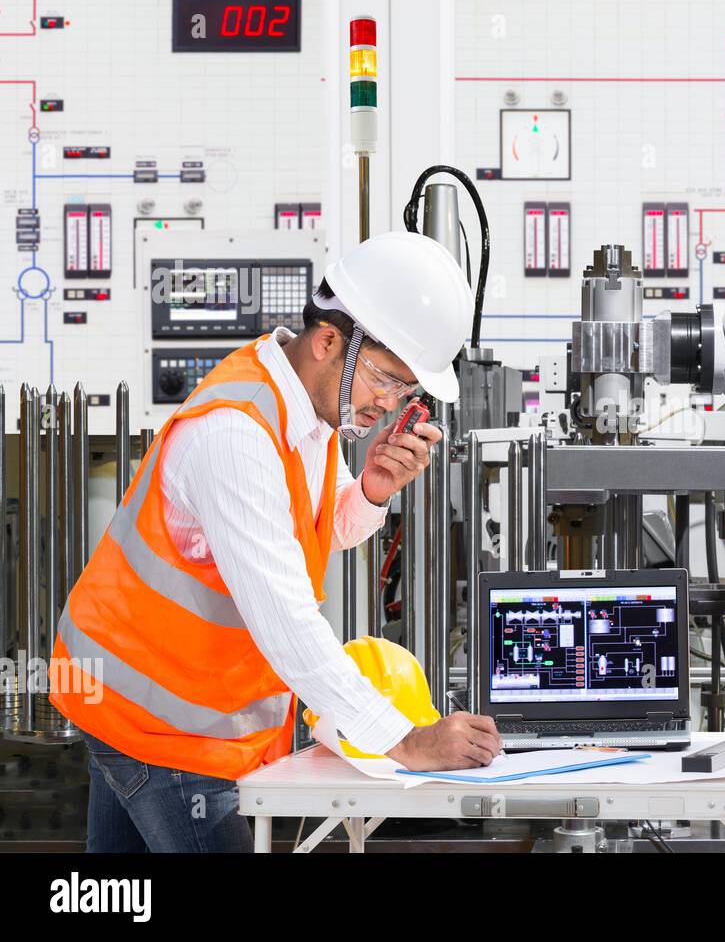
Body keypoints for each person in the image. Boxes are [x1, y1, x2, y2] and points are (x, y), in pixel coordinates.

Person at [49, 231, 501, 852]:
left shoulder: (306, 409)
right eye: (386, 380)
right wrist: (406, 739)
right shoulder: (236, 434)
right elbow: (285, 617)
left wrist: (371, 488)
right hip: (168, 724)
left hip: (144, 703)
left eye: (406, 391)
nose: (391, 404)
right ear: (328, 342)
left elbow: (321, 528)